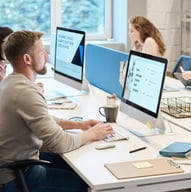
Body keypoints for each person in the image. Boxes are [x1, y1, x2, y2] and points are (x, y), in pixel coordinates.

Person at [0, 30, 114, 192]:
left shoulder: (11, 82)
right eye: (42, 52)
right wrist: (93, 134)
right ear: (27, 59)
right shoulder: (25, 92)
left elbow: (43, 118)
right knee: (86, 184)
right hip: (16, 177)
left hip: (16, 166)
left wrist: (79, 125)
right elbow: (60, 143)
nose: (46, 56)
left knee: (76, 166)